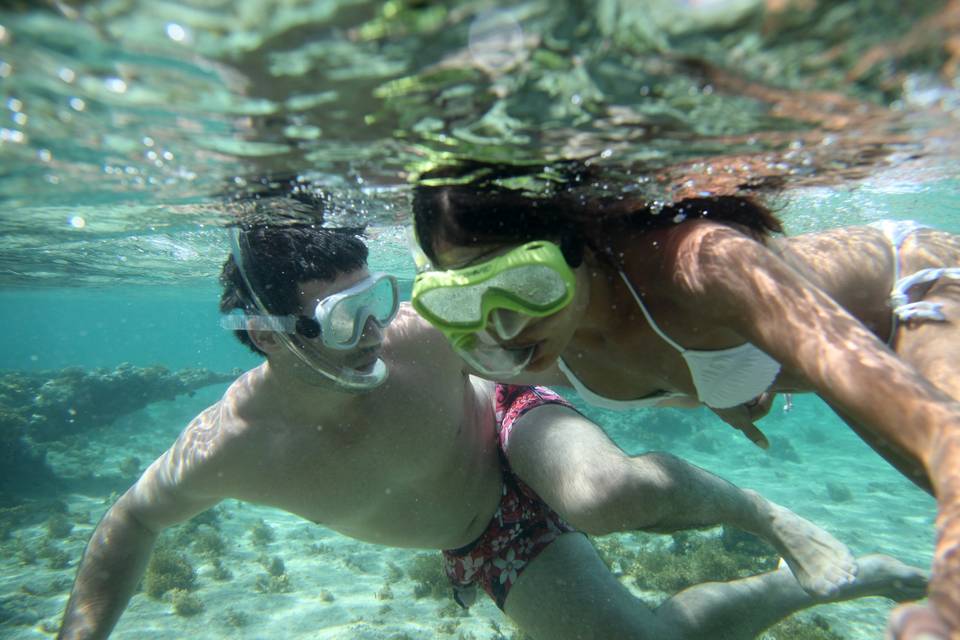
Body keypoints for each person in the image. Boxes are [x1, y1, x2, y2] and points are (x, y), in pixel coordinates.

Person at [57, 214, 924, 640]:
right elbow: (129, 522)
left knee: (603, 491)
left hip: (510, 429)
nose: (375, 337)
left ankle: (768, 516)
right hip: (481, 536)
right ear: (264, 336)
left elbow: (577, 321)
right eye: (343, 319)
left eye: (378, 301)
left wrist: (724, 364)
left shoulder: (416, 339)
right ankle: (852, 577)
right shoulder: (230, 446)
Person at [409, 161, 960, 639]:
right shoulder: (525, 342)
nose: (501, 326)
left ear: (573, 240)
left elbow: (941, 432)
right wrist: (726, 387)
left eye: (526, 284)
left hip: (911, 295)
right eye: (464, 297)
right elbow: (678, 371)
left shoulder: (701, 265)